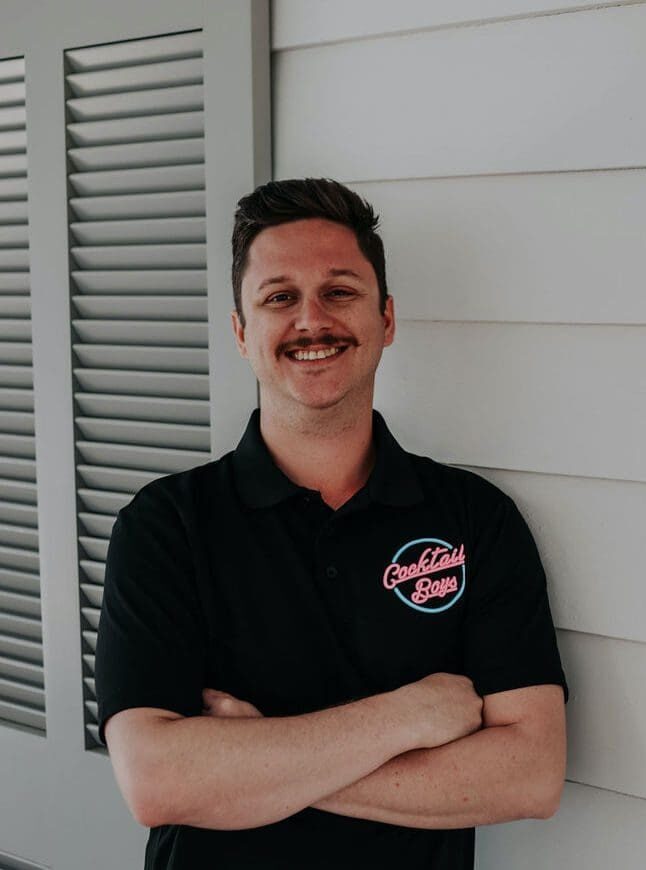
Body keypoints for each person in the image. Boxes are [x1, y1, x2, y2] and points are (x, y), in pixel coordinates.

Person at [95, 178, 569, 869]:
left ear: (387, 317)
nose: (311, 321)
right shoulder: (166, 527)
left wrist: (257, 762)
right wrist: (407, 717)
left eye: (340, 291)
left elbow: (529, 773)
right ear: (241, 331)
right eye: (279, 297)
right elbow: (158, 781)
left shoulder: (474, 518)